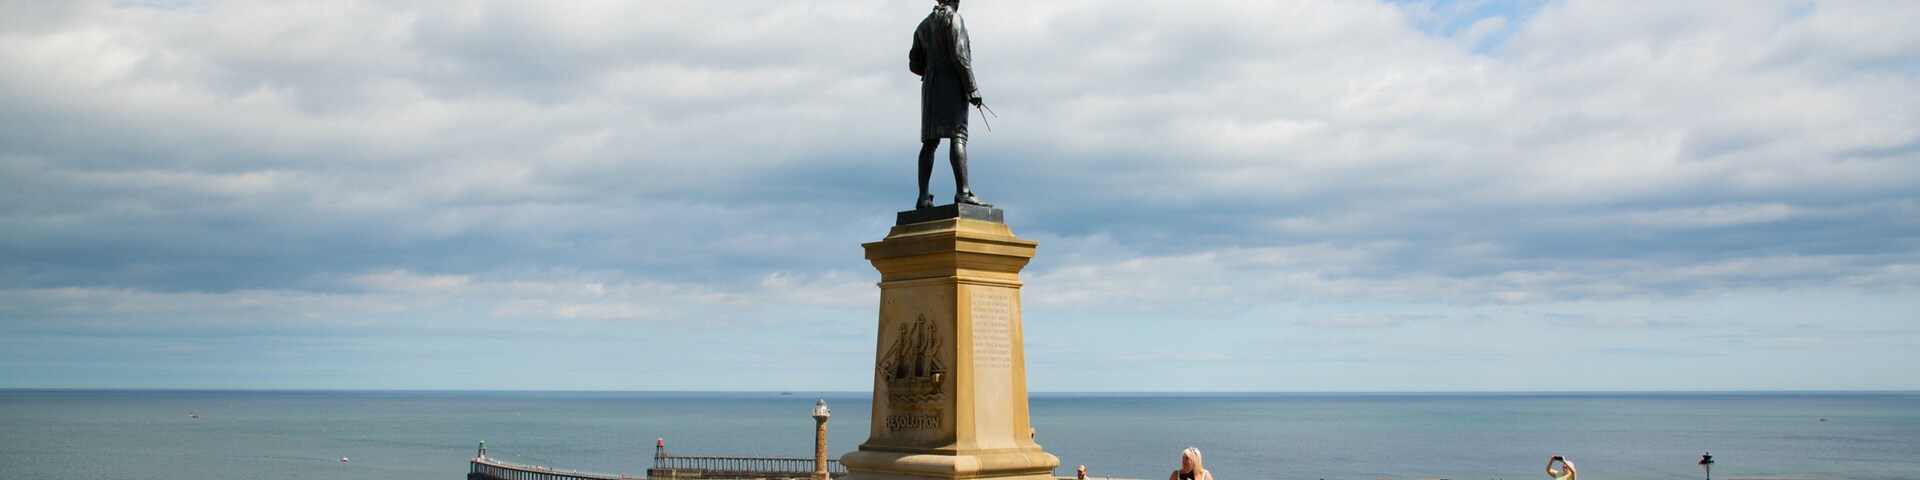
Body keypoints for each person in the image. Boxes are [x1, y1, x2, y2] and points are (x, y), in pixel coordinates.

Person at [910, 0, 989, 209]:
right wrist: (972, 88)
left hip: (930, 85)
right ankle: (963, 192)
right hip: (952, 83)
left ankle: (923, 197)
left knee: (929, 142)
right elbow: (960, 54)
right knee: (958, 135)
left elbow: (914, 63)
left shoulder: (923, 26)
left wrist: (931, 71)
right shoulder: (954, 19)